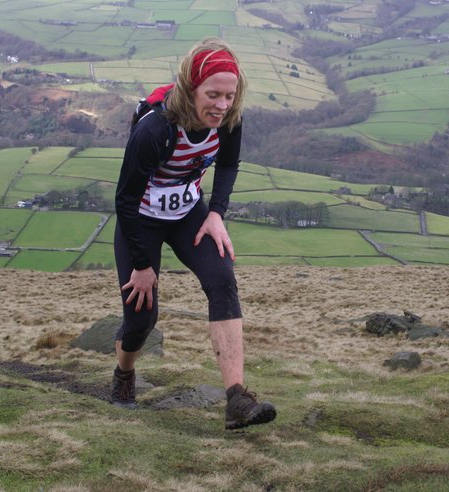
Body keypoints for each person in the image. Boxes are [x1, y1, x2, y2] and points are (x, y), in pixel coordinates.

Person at [112, 37, 276, 429]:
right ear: (191, 89)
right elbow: (125, 199)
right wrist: (142, 266)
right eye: (213, 95)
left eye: (229, 96)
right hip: (141, 219)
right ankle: (124, 374)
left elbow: (229, 164)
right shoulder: (155, 130)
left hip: (188, 214)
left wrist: (216, 213)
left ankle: (237, 398)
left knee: (222, 280)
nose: (222, 105)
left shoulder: (229, 119)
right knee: (142, 317)